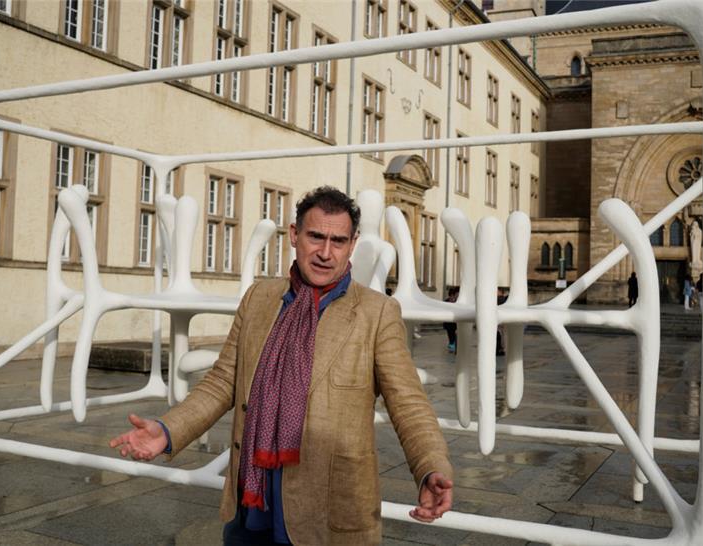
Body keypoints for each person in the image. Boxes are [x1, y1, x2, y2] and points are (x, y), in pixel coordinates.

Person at [109, 186, 453, 545]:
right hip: (251, 510)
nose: (325, 253)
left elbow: (408, 403)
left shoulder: (376, 313)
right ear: (294, 235)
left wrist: (430, 466)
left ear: (352, 245)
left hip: (328, 516)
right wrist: (168, 431)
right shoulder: (259, 298)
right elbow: (223, 382)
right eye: (315, 237)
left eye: (338, 241)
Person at [442, 287, 458, 353]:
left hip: (454, 323)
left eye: (452, 296)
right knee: (450, 335)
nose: (451, 297)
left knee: (454, 335)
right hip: (448, 322)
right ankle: (452, 345)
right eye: (450, 296)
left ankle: (453, 346)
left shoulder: (457, 302)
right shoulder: (445, 302)